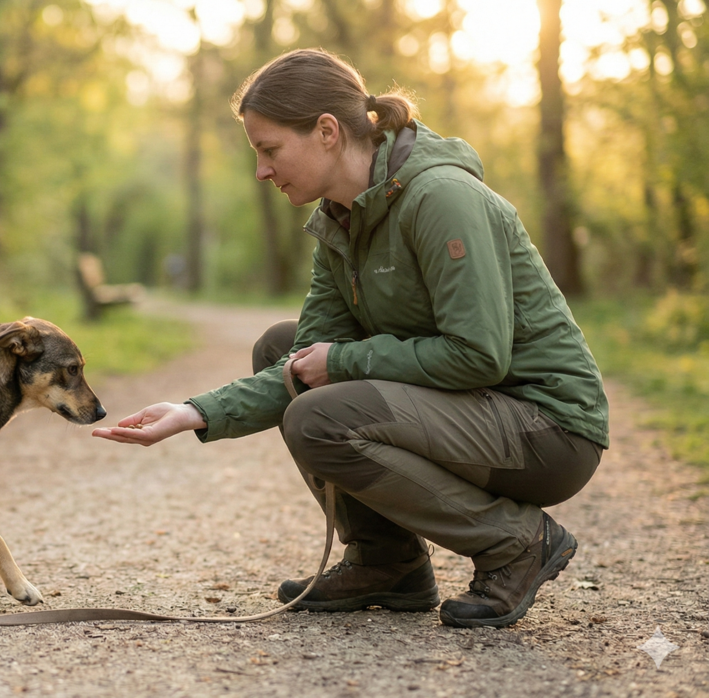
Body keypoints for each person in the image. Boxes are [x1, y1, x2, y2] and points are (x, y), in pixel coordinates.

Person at [92, 48, 607, 629]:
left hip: (546, 430)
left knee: (319, 414)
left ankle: (516, 543)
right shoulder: (341, 221)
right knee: (283, 350)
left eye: (269, 150)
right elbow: (302, 358)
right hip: (475, 415)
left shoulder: (442, 198)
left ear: (328, 132)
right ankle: (388, 563)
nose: (261, 170)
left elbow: (480, 355)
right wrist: (194, 412)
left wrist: (346, 361)